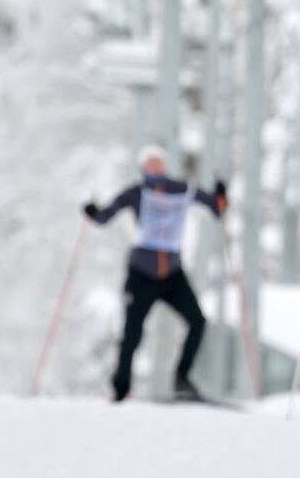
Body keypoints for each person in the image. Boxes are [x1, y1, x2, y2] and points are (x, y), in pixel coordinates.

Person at [84, 145, 228, 403]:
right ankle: (120, 388)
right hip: (141, 274)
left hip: (172, 275)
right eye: (150, 163)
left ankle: (182, 379)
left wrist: (220, 196)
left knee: (198, 321)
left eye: (159, 162)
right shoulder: (136, 193)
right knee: (132, 332)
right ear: (143, 167)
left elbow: (215, 207)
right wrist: (94, 213)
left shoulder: (180, 189)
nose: (156, 167)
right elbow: (105, 216)